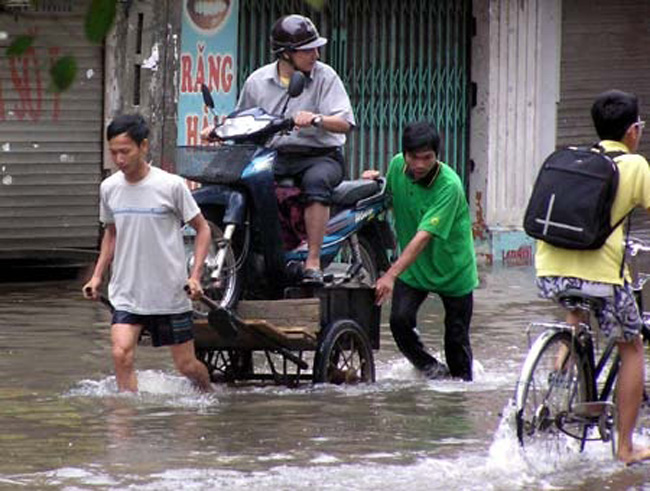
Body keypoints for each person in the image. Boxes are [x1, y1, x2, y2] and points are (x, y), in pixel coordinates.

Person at [534, 89, 650, 464]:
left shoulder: (578, 160)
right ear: (633, 131)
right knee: (631, 346)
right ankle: (626, 447)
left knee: (576, 318)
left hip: (549, 270)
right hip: (600, 277)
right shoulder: (634, 166)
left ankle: (556, 390)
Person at [202, 14, 355, 284]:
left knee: (316, 183)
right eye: (307, 50)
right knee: (246, 185)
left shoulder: (325, 76)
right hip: (275, 156)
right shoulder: (257, 82)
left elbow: (345, 123)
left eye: (316, 48)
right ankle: (257, 257)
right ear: (285, 54)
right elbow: (243, 118)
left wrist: (317, 119)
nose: (315, 55)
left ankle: (312, 261)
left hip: (319, 156)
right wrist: (218, 130)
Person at [83, 114, 213, 393]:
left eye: (125, 151)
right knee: (121, 354)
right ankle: (124, 423)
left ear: (143, 147)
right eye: (114, 152)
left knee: (187, 366)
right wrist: (96, 277)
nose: (119, 159)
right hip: (127, 292)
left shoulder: (171, 186)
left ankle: (209, 395)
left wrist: (195, 276)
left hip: (169, 292)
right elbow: (111, 232)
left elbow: (203, 230)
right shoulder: (109, 188)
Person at [363, 121, 478, 381]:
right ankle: (432, 371)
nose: (420, 165)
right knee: (399, 322)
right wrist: (375, 181)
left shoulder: (449, 186)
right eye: (414, 157)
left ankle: (459, 395)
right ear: (404, 155)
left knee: (456, 341)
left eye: (427, 158)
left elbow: (423, 237)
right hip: (415, 269)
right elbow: (386, 196)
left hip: (453, 269)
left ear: (437, 156)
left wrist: (390, 274)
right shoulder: (396, 167)